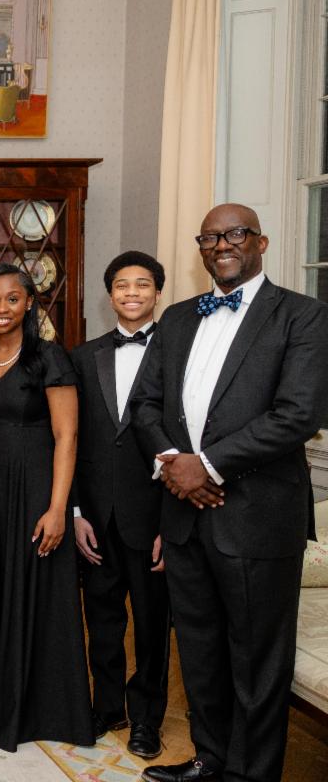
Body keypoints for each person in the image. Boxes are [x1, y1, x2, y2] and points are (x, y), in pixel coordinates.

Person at [132, 204, 328, 782]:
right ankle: (210, 759)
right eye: (210, 237)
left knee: (257, 658)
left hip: (257, 516)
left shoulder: (303, 315)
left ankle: (251, 774)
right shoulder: (176, 318)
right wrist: (175, 465)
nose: (222, 245)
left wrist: (209, 466)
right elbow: (145, 404)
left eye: (236, 233)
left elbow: (298, 415)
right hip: (184, 513)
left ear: (260, 242)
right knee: (199, 648)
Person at [0, 263, 94, 751]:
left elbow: (67, 436)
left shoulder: (49, 358)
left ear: (29, 303)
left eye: (12, 299)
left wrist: (59, 509)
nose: (1, 308)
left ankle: (40, 710)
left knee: (38, 596)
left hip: (37, 491)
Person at [70, 251, 170, 759]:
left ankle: (147, 719)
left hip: (153, 516)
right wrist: (75, 513)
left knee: (152, 627)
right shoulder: (82, 356)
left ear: (158, 293)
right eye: (122, 285)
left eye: (143, 284)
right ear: (109, 295)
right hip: (96, 516)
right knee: (102, 622)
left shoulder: (178, 352)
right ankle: (107, 706)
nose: (132, 293)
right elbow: (70, 439)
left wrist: (173, 524)